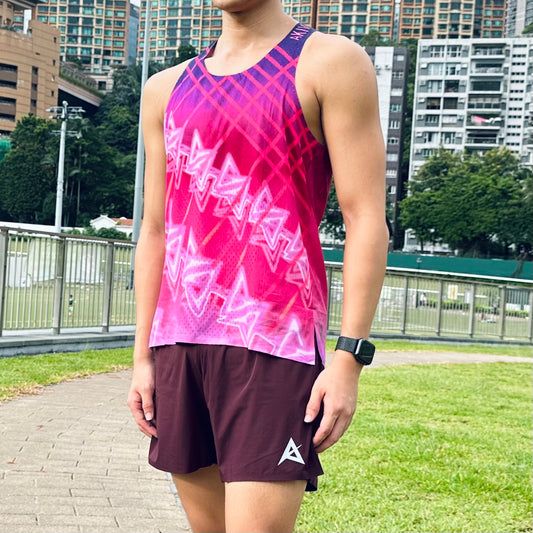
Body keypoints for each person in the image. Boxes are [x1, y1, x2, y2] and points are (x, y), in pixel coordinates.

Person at [127, 0, 389, 530]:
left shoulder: (329, 63)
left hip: (276, 346)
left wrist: (348, 358)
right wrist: (141, 357)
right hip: (180, 345)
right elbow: (155, 229)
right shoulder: (164, 88)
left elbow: (365, 218)